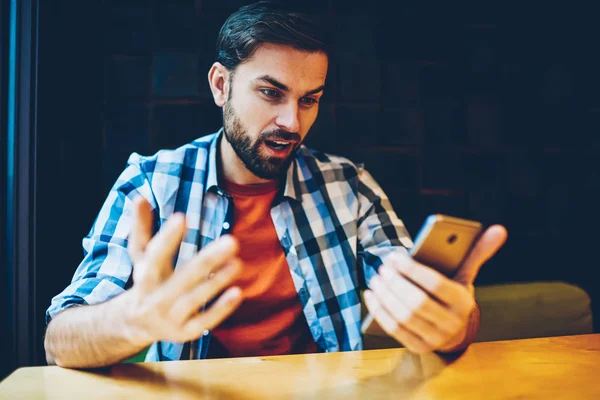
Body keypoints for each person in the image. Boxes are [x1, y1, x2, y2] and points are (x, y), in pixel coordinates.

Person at [44, 1, 507, 368]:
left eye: (310, 100)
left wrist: (453, 324)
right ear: (221, 85)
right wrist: (132, 320)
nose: (292, 121)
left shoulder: (349, 186)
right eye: (271, 93)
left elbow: (425, 294)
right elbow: (59, 343)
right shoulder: (151, 184)